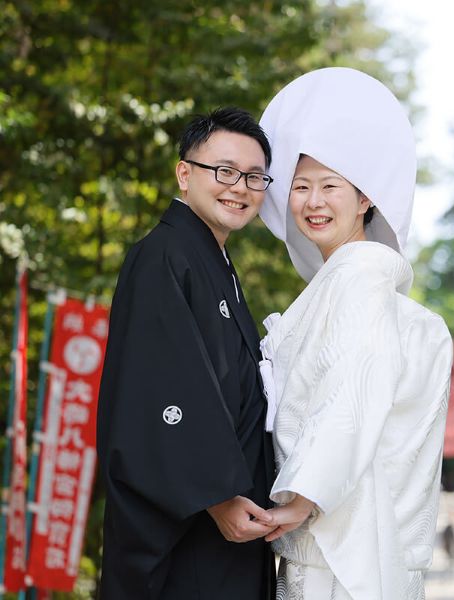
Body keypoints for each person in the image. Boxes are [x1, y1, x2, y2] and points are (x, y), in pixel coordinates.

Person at [256, 67, 453, 599]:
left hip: (339, 549)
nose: (313, 202)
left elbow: (358, 386)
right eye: (300, 186)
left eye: (329, 186)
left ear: (365, 198)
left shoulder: (360, 276)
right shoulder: (352, 284)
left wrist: (304, 496)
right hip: (351, 541)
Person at [97, 107, 277, 599]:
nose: (239, 187)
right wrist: (216, 496)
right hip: (193, 528)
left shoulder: (215, 263)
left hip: (228, 525)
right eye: (224, 171)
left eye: (254, 176)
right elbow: (157, 388)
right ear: (184, 172)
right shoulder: (161, 256)